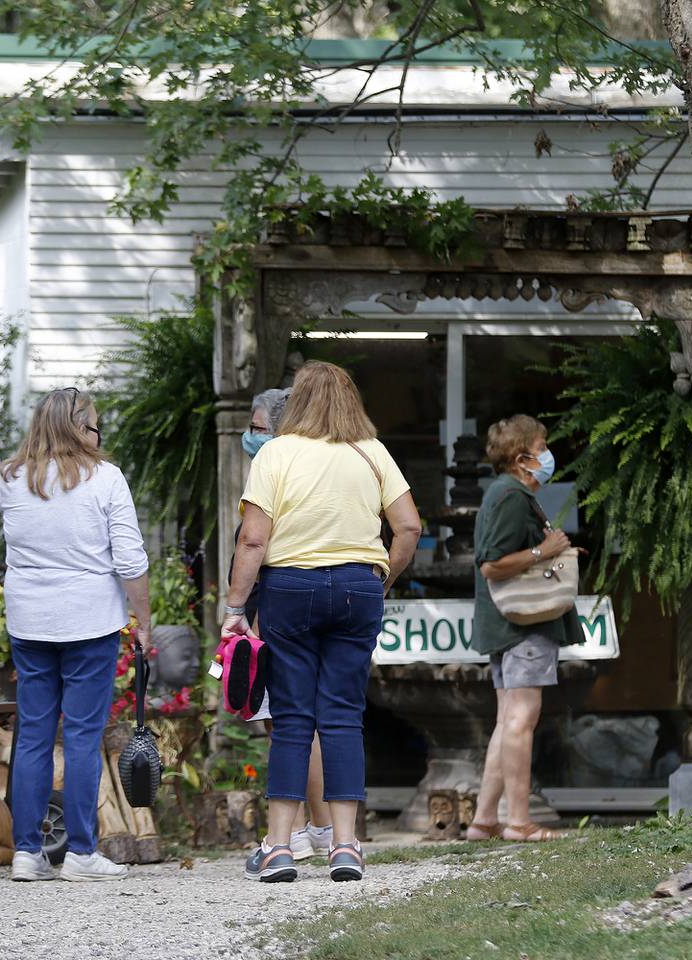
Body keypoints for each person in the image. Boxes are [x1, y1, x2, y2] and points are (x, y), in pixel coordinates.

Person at [0, 386, 151, 882]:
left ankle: (26, 852)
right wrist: (143, 620)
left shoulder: (13, 478)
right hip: (90, 624)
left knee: (34, 736)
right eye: (95, 425)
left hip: (32, 624)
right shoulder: (106, 480)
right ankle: (82, 854)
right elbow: (130, 560)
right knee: (83, 736)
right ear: (79, 428)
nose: (98, 434)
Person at [223, 361, 421, 883]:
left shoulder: (278, 453)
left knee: (291, 719)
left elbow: (252, 540)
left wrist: (235, 608)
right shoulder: (373, 453)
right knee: (342, 716)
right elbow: (408, 527)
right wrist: (382, 578)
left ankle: (279, 850)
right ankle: (347, 848)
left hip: (290, 591)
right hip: (358, 588)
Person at [466, 414, 582, 843]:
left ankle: (483, 821)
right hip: (523, 626)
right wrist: (543, 549)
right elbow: (493, 564)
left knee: (506, 720)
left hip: (505, 624)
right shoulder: (512, 496)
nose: (548, 454)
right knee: (521, 718)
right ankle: (519, 821)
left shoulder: (504, 493)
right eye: (543, 445)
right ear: (522, 458)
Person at [237, 387, 333, 861]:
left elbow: (260, 547)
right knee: (301, 723)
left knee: (285, 724)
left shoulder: (275, 471)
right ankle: (320, 827)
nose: (249, 436)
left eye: (256, 427)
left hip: (270, 613)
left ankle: (288, 835)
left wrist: (244, 616)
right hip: (299, 606)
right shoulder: (312, 472)